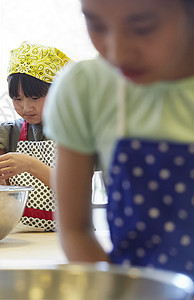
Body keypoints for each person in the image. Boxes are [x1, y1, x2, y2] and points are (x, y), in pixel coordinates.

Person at [44, 0, 194, 278]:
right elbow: (76, 231)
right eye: (96, 24)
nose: (117, 52)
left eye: (143, 28)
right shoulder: (85, 88)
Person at [0, 41, 71, 232]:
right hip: (20, 235)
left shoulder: (75, 132)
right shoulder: (8, 134)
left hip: (70, 235)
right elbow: (5, 195)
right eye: (17, 99)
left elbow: (75, 189)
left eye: (34, 98)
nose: (26, 108)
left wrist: (30, 164)